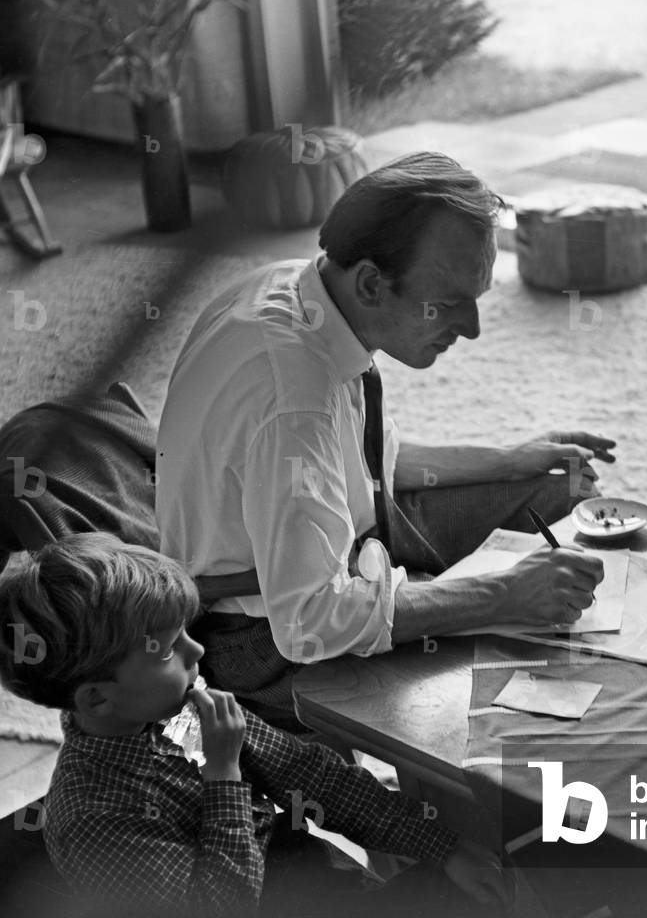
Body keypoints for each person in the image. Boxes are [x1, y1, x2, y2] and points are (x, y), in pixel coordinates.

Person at [156, 151, 610, 725]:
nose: (472, 329)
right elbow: (310, 621)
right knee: (468, 697)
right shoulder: (295, 399)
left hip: (343, 540)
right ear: (371, 282)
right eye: (447, 304)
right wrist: (504, 593)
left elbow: (370, 460)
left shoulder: (299, 287)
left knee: (556, 486)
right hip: (255, 633)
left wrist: (512, 458)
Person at [0, 533, 513, 917]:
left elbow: (313, 777)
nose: (196, 650)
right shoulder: (96, 821)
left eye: (185, 632)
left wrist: (443, 848)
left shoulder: (181, 712)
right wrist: (222, 774)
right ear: (97, 698)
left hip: (316, 882)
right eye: (166, 650)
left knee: (500, 879)